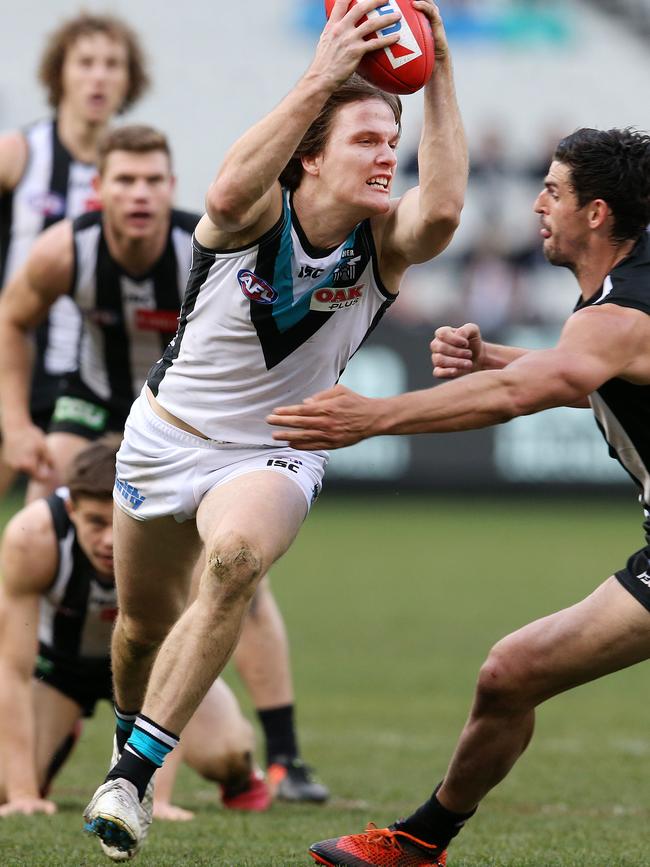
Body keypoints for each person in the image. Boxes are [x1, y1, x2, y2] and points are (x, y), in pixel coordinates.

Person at [82, 0, 467, 859]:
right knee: (141, 625)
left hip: (275, 450)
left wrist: (438, 68)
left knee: (235, 563)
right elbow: (221, 191)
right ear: (311, 157)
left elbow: (440, 211)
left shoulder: (382, 244)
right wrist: (323, 74)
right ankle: (127, 740)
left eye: (390, 144)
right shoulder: (253, 218)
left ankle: (133, 776)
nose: (385, 159)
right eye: (366, 141)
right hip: (165, 438)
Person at [267, 126, 650, 866]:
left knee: (511, 670)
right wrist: (497, 356)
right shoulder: (619, 306)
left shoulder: (618, 313)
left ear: (596, 213)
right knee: (510, 674)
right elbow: (589, 371)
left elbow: (529, 391)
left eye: (552, 190)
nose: (537, 204)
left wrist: (372, 416)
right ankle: (419, 842)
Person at [0, 121, 329, 804]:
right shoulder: (66, 250)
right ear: (98, 190)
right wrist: (14, 423)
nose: (140, 193)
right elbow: (12, 317)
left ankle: (285, 755)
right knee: (43, 518)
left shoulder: (203, 241)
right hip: (95, 405)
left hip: (190, 419)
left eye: (153, 180)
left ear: (173, 187)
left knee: (240, 566)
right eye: (125, 180)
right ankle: (56, 665)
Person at [0, 436, 270, 826]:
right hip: (63, 672)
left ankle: (245, 777)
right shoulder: (33, 537)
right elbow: (11, 670)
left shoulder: (180, 538)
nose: (109, 540)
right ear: (71, 507)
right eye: (94, 522)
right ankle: (64, 728)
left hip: (161, 670)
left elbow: (180, 654)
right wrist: (23, 793)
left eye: (115, 523)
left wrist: (154, 795)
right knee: (7, 786)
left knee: (224, 754)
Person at [0, 13, 149, 496]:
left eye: (113, 64)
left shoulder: (137, 173)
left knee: (64, 528)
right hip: (13, 362)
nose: (99, 75)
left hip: (88, 380)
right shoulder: (21, 153)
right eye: (86, 62)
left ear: (130, 79)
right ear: (59, 73)